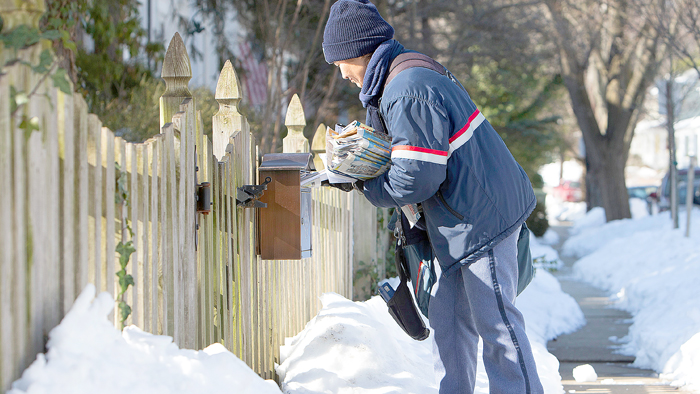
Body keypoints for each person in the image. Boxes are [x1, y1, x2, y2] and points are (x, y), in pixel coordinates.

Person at [322, 0, 544, 393]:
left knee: (497, 325)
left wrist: (365, 185)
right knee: (449, 318)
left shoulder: (406, 89)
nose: (341, 74)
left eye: (340, 62)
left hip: (482, 220)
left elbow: (417, 178)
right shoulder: (402, 76)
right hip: (466, 216)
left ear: (359, 50)